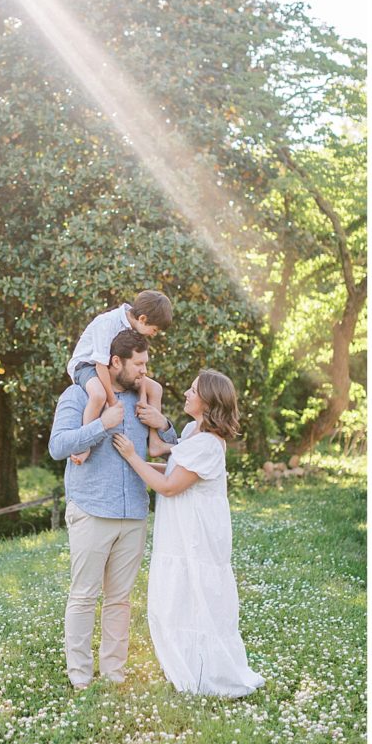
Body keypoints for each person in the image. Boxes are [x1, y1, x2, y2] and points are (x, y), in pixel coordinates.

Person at [112, 369, 265, 697]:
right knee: (177, 598)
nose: (187, 393)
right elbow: (158, 455)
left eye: (193, 390)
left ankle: (206, 674)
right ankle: (187, 667)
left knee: (197, 598)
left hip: (197, 535)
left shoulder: (209, 444)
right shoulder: (192, 429)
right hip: (181, 532)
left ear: (208, 402)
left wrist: (129, 457)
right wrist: (150, 400)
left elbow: (168, 486)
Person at [49, 328, 177, 690]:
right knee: (84, 596)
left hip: (134, 513)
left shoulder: (144, 399)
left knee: (120, 601)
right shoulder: (78, 395)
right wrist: (101, 426)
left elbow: (174, 448)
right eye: (138, 364)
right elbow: (58, 447)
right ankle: (80, 678)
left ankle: (114, 674)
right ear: (115, 361)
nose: (144, 371)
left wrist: (164, 423)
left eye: (146, 364)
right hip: (91, 510)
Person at [66, 290, 173, 464]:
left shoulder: (137, 326)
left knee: (156, 389)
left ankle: (155, 443)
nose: (154, 334)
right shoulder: (108, 322)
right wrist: (112, 402)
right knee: (98, 395)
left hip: (112, 367)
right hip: (87, 365)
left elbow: (140, 366)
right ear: (143, 319)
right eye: (154, 330)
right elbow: (100, 364)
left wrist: (143, 398)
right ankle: (84, 446)